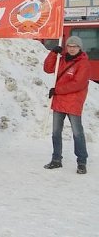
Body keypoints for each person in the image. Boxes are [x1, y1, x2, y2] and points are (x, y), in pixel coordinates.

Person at [43, 36, 91, 174]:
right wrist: (53, 53)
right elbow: (47, 68)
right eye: (69, 46)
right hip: (59, 102)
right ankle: (56, 159)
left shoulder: (83, 63)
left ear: (80, 48)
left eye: (75, 46)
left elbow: (78, 84)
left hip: (73, 103)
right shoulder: (61, 58)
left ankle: (82, 162)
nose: (71, 48)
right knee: (56, 132)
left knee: (77, 133)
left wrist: (57, 90)